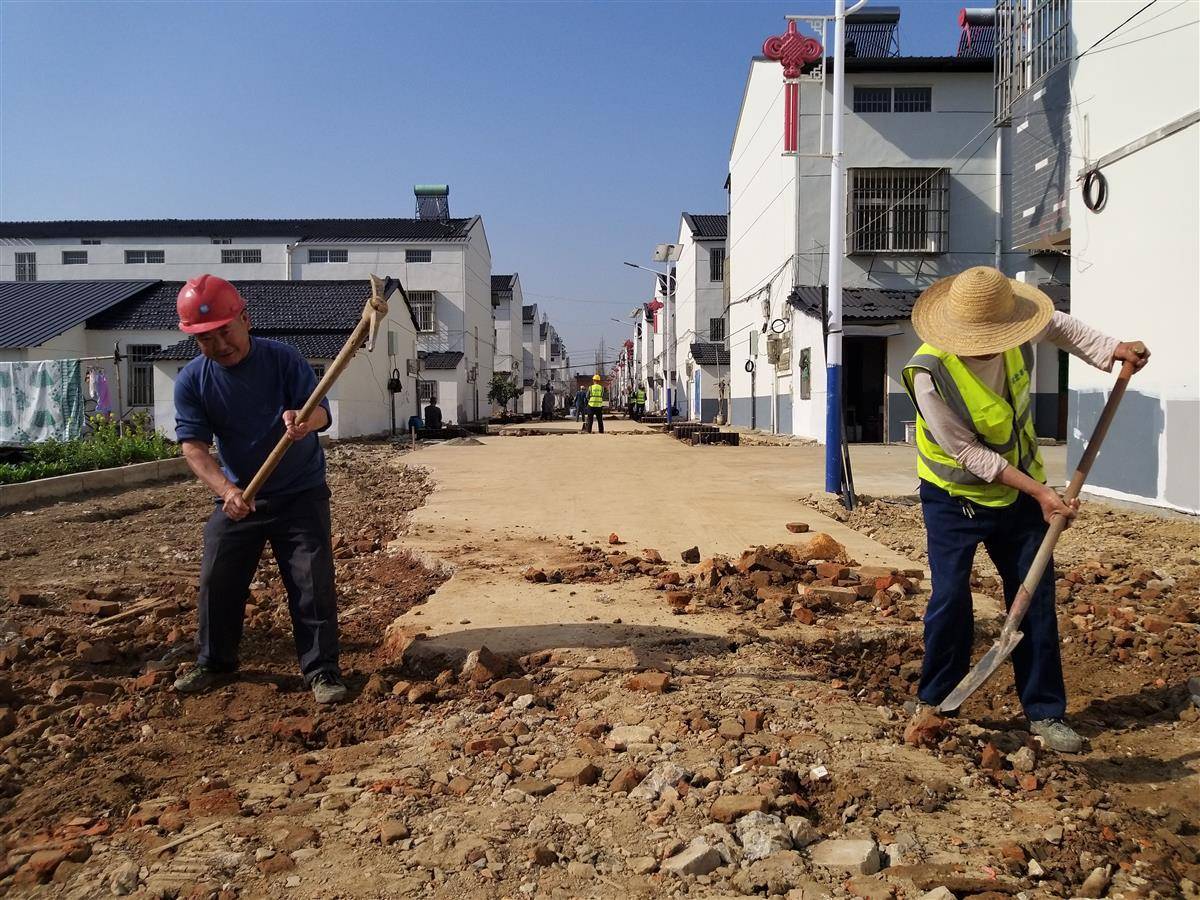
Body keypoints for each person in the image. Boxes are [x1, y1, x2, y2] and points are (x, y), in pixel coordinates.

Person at [901, 266, 1148, 752]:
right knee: (950, 599)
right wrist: (1041, 493)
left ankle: (1044, 711)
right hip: (954, 499)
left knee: (1034, 600)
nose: (990, 345)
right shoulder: (927, 373)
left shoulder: (1016, 328)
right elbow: (969, 453)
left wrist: (1110, 350)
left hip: (1017, 495)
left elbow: (1057, 324)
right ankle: (933, 698)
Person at [170, 275, 347, 704]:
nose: (218, 345)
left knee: (310, 579)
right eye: (205, 339)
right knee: (218, 577)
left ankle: (321, 670)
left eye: (224, 332)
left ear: (244, 319)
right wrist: (227, 490)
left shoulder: (283, 360)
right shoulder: (192, 381)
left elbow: (321, 412)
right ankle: (215, 661)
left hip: (299, 492)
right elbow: (193, 447)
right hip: (240, 498)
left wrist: (306, 422)